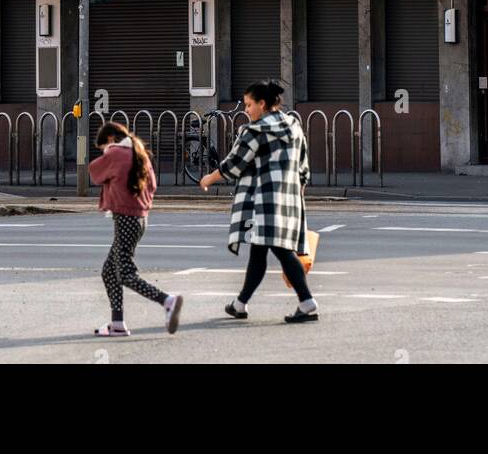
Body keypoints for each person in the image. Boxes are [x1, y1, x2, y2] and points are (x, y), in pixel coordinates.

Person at [199, 79, 318, 323]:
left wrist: (209, 178)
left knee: (282, 251)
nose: (246, 110)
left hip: (265, 201)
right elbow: (303, 166)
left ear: (262, 104)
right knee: (259, 251)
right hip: (290, 198)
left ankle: (307, 302)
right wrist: (297, 194)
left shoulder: (255, 131)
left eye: (249, 105)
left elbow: (234, 164)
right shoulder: (294, 126)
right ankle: (240, 304)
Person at [89, 120, 183, 337]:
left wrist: (108, 154)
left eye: (103, 147)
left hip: (125, 219)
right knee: (109, 272)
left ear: (110, 139)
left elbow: (95, 171)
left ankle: (167, 300)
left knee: (125, 273)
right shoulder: (139, 152)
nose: (104, 151)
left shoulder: (115, 153)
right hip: (140, 219)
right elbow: (153, 185)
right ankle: (117, 323)